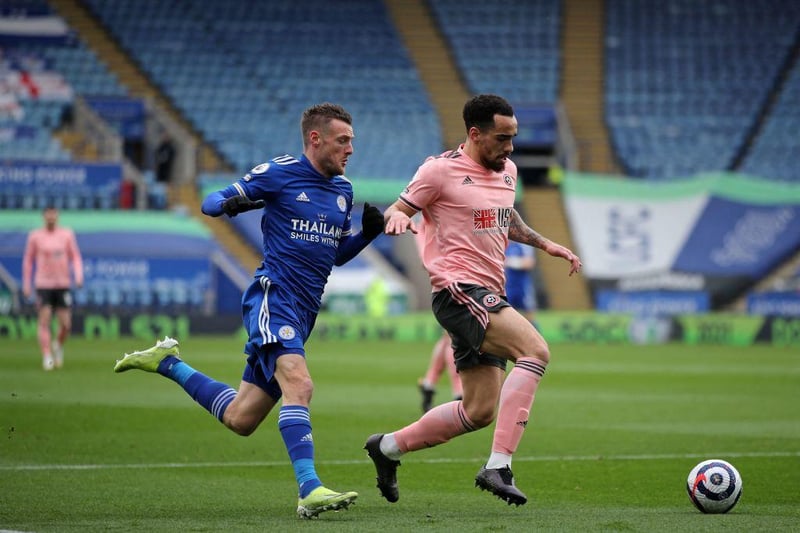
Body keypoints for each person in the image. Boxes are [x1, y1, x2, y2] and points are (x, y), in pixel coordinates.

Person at [114, 103, 384, 519]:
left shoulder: (343, 191)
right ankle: (309, 490)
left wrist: (367, 233)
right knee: (301, 385)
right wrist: (228, 203)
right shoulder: (280, 172)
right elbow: (213, 200)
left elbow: (335, 256)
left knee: (241, 418)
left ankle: (168, 364)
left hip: (304, 311)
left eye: (352, 140)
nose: (351, 149)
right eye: (343, 140)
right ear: (316, 138)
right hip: (273, 297)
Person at [364, 94, 582, 507]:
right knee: (535, 350)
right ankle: (499, 466)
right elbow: (400, 209)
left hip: (488, 293)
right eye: (502, 138)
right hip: (457, 291)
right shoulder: (439, 171)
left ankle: (387, 448)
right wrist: (397, 218)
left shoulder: (508, 170)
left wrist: (545, 244)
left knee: (479, 411)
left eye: (513, 138)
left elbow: (504, 215)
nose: (510, 147)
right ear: (475, 133)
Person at [22, 206, 83, 371]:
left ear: (57, 216)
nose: (51, 217)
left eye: (53, 214)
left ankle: (57, 345)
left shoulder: (66, 234)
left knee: (66, 325)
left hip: (62, 284)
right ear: (43, 217)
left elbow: (75, 256)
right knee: (45, 320)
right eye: (48, 215)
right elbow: (28, 260)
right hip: (43, 284)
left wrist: (78, 275)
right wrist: (26, 283)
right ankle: (47, 355)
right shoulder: (35, 236)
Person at [504, 240, 537, 324]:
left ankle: (535, 335)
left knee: (529, 315)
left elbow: (529, 263)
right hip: (508, 286)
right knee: (508, 317)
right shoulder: (503, 244)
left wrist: (509, 262)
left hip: (522, 286)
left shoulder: (523, 245)